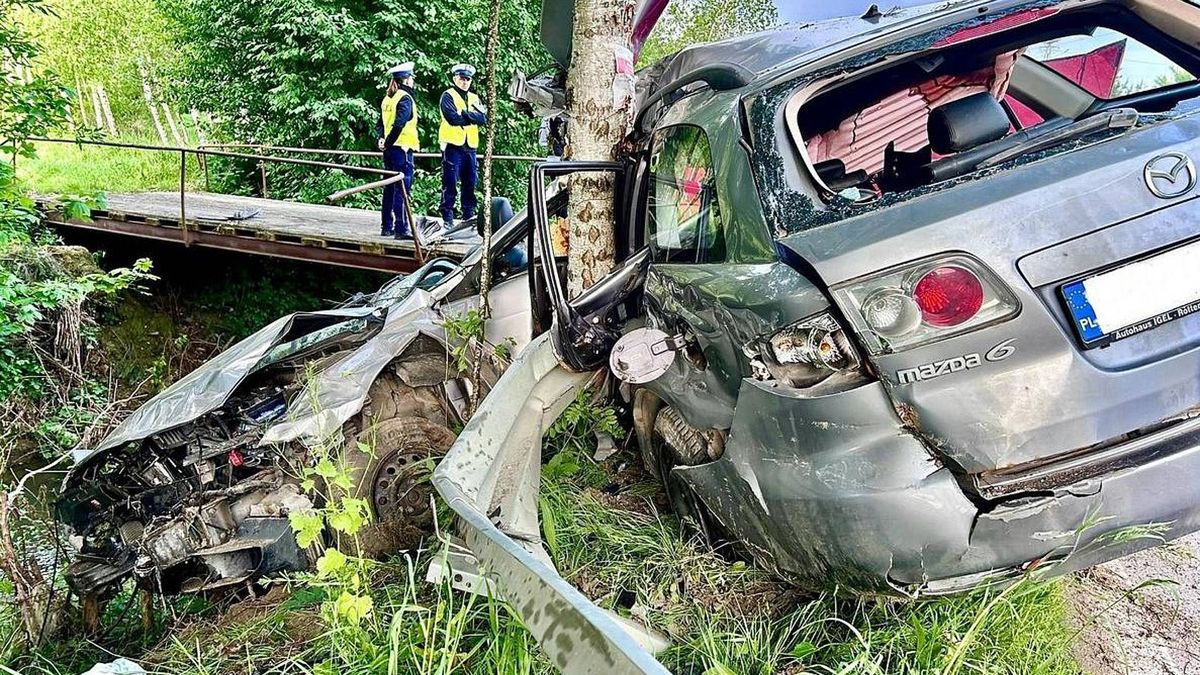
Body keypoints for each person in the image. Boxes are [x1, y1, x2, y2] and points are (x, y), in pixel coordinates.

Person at [438, 63, 487, 225]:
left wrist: (465, 114)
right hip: (452, 146)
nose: (465, 82)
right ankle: (447, 216)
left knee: (470, 182)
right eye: (462, 78)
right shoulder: (448, 95)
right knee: (450, 182)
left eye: (468, 79)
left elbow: (483, 118)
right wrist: (471, 116)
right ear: (455, 79)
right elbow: (452, 119)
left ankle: (468, 216)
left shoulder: (474, 97)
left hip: (470, 147)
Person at [377, 62, 419, 239]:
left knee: (388, 187)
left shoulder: (388, 98)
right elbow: (399, 124)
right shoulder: (405, 98)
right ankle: (401, 228)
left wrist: (382, 139)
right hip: (402, 148)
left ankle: (386, 226)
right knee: (402, 189)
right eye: (412, 78)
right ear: (407, 80)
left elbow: (380, 124)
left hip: (389, 150)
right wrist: (388, 141)